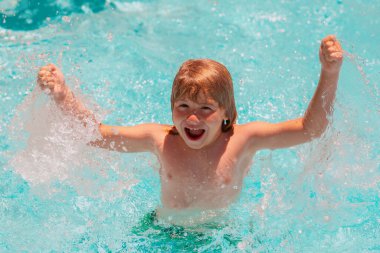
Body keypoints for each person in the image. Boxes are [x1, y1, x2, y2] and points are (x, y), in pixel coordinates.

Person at [37, 35, 343, 225]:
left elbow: (310, 129)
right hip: (163, 231)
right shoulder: (159, 140)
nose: (192, 119)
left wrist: (329, 72)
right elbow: (95, 135)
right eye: (183, 107)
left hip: (220, 234)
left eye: (205, 110)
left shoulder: (244, 140)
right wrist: (63, 96)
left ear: (226, 113)